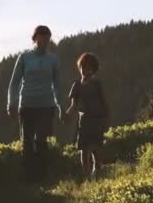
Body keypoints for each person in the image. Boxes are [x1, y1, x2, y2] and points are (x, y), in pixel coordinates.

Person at [7, 25, 63, 183]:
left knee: (42, 140)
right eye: (42, 36)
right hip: (27, 105)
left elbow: (58, 85)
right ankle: (28, 178)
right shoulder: (24, 57)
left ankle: (42, 176)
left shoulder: (53, 59)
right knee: (27, 140)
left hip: (46, 105)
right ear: (35, 37)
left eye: (47, 37)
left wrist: (61, 107)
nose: (45, 40)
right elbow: (14, 83)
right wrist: (11, 103)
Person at [66, 52, 110, 177]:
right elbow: (73, 105)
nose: (86, 70)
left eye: (89, 68)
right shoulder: (77, 86)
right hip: (84, 121)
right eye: (83, 67)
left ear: (93, 70)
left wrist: (106, 120)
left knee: (96, 148)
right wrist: (67, 114)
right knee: (84, 149)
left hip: (97, 120)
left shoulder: (97, 85)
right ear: (79, 68)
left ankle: (98, 171)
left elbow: (104, 103)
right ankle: (86, 176)